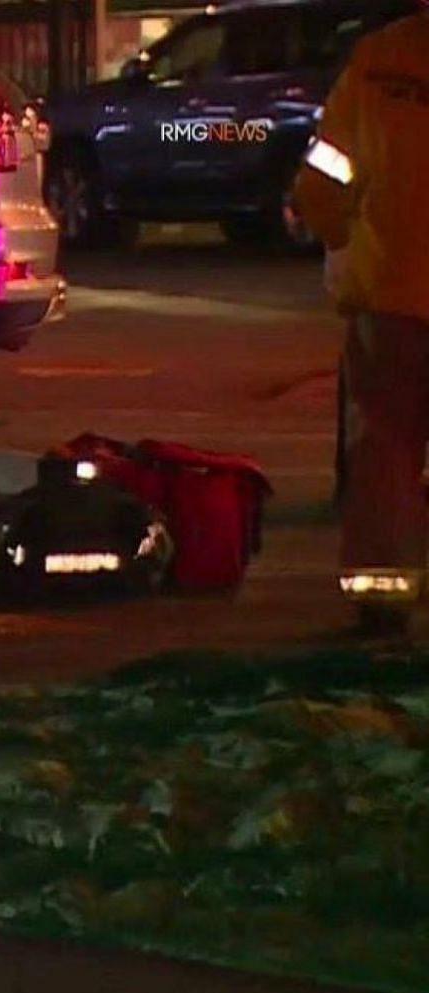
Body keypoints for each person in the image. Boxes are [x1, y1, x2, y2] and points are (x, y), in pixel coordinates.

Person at [292, 7, 429, 633]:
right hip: (389, 289)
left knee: (384, 452)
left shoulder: (380, 60)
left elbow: (324, 181)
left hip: (391, 292)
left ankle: (382, 599)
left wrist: (338, 236)